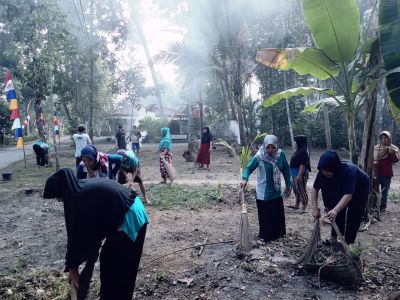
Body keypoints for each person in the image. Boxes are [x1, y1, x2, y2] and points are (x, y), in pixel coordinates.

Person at [43, 168, 148, 299]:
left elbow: (75, 235)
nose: (58, 200)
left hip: (130, 217)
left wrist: (73, 268)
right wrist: (73, 267)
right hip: (126, 212)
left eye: (57, 196)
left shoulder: (78, 197)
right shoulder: (79, 190)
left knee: (119, 267)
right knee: (108, 260)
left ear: (63, 190)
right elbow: (82, 232)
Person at [311, 150, 370, 244]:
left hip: (360, 187)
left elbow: (348, 195)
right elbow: (315, 189)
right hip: (342, 185)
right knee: (335, 207)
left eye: (327, 171)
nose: (325, 173)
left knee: (354, 214)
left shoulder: (348, 170)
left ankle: (348, 243)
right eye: (323, 171)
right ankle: (333, 239)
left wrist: (335, 210)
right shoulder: (323, 171)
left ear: (334, 168)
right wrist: (314, 208)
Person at [241, 135, 292, 243]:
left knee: (277, 214)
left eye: (273, 147)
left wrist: (289, 184)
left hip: (276, 191)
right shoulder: (259, 157)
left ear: (276, 146)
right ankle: (266, 236)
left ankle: (278, 234)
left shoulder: (280, 154)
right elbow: (248, 168)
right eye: (268, 147)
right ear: (264, 146)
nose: (270, 150)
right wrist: (245, 179)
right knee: (266, 216)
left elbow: (286, 170)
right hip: (263, 192)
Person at [373, 131, 400, 212]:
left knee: (384, 191)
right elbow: (372, 158)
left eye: (386, 138)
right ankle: (374, 206)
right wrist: (373, 162)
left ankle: (382, 207)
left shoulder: (393, 148)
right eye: (382, 138)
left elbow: (395, 160)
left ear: (389, 139)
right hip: (376, 172)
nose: (384, 140)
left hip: (386, 173)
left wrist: (392, 154)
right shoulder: (376, 148)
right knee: (374, 190)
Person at [288, 135, 311, 212]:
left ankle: (303, 207)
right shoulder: (299, 151)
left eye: (296, 141)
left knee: (301, 189)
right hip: (295, 174)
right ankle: (297, 204)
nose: (295, 143)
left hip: (300, 174)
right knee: (296, 189)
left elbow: (303, 164)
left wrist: (299, 175)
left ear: (299, 142)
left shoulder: (303, 152)